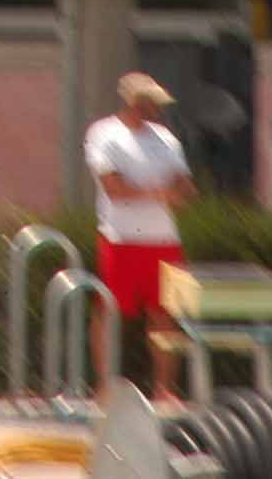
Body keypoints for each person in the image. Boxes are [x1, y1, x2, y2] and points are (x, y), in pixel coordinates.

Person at [85, 71, 196, 404]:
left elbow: (185, 188)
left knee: (165, 315)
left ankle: (165, 388)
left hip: (165, 240)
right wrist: (159, 193)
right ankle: (105, 385)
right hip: (120, 239)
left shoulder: (166, 138)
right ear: (134, 101)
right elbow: (113, 188)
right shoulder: (104, 133)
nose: (157, 107)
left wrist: (163, 192)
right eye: (150, 100)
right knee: (108, 312)